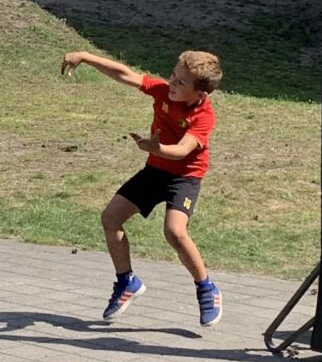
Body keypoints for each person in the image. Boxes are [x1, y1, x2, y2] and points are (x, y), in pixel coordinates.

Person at [60, 49, 223, 326]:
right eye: (173, 75)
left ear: (200, 94)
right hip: (155, 171)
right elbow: (125, 74)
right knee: (111, 218)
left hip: (185, 177)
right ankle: (127, 282)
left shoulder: (203, 115)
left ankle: (206, 288)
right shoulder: (163, 91)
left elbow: (183, 150)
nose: (172, 83)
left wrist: (157, 148)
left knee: (174, 231)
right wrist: (86, 56)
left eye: (181, 82)